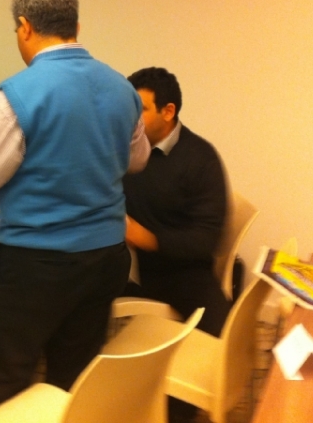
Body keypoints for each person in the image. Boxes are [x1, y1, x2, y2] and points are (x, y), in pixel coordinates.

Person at [0, 0, 150, 415]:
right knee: (72, 378)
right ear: (76, 27)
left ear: (25, 26)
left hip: (37, 265)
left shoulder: (14, 97)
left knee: (3, 381)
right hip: (106, 258)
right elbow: (138, 160)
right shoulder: (123, 89)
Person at [121, 67, 229, 423]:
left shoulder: (200, 159)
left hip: (180, 270)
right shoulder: (123, 147)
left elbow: (206, 239)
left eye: (140, 109)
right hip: (124, 263)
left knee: (219, 332)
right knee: (67, 288)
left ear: (168, 112)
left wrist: (148, 239)